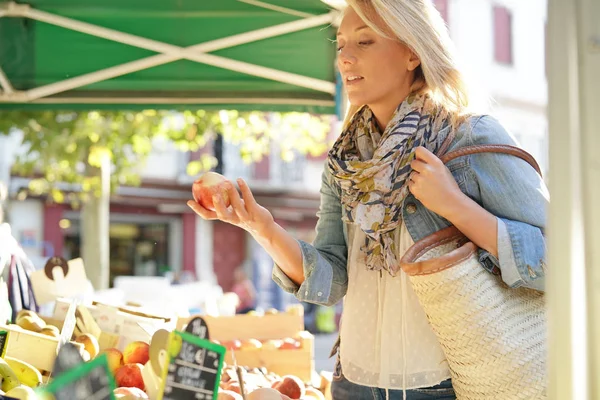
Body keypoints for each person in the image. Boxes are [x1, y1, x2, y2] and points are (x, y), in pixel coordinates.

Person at [187, 0, 549, 398]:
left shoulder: (468, 137)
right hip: (354, 382)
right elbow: (333, 279)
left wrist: (454, 206)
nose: (345, 57)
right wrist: (261, 227)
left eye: (365, 41)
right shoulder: (345, 160)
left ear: (412, 51)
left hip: (445, 386)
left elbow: (556, 265)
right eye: (340, 44)